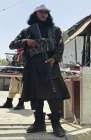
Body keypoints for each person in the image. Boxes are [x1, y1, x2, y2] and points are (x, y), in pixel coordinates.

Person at [9, 5, 70, 137]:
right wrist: (26, 41)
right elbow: (12, 44)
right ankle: (39, 123)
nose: (43, 14)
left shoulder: (55, 30)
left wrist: (54, 58)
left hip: (50, 64)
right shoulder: (27, 31)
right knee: (36, 96)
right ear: (35, 14)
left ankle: (56, 125)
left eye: (46, 13)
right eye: (41, 12)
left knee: (54, 96)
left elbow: (60, 45)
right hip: (32, 66)